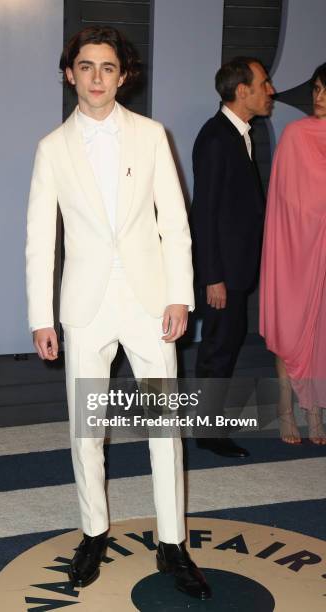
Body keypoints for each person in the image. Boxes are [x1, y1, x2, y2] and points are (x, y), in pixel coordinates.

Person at [26, 27, 211, 600]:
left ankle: (173, 543)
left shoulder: (153, 136)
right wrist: (40, 316)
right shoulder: (51, 148)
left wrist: (180, 293)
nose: (97, 77)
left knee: (164, 428)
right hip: (84, 307)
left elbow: (175, 223)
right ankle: (93, 532)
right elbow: (40, 240)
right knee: (86, 430)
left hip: (150, 301)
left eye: (108, 68)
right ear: (69, 74)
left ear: (123, 75)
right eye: (86, 67)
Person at [191, 57, 274, 458]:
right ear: (243, 91)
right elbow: (203, 212)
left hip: (234, 269)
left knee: (225, 344)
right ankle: (207, 432)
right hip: (222, 273)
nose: (270, 90)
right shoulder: (216, 137)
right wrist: (213, 276)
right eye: (264, 83)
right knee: (218, 348)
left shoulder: (237, 133)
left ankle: (208, 426)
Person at [259, 62, 326, 445]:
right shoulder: (296, 134)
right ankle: (286, 408)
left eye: (324, 89)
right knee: (290, 326)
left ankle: (314, 412)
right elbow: (283, 201)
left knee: (320, 331)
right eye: (316, 88)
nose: (318, 96)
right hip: (293, 249)